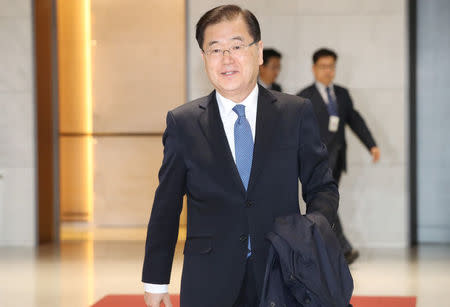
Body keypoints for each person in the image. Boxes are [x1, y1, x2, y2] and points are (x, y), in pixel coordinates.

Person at [142, 6, 339, 307]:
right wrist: (156, 280)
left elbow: (322, 187)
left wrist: (308, 236)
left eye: (236, 46)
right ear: (204, 58)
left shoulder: (295, 113)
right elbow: (166, 206)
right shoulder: (183, 123)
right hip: (208, 279)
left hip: (283, 272)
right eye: (215, 49)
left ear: (258, 52)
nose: (227, 59)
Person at [297, 48, 380, 265]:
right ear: (314, 68)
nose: (328, 71)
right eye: (323, 66)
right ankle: (340, 247)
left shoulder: (341, 94)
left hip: (337, 159)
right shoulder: (304, 97)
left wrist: (371, 145)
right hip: (315, 161)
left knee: (324, 201)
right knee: (325, 200)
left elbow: (355, 120)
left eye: (331, 66)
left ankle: (329, 249)